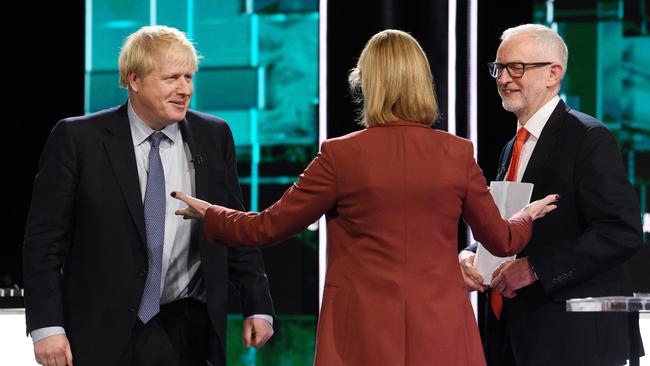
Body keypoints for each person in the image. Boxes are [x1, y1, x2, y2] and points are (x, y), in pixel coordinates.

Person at [171, 29, 558, 366]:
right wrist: (525, 217)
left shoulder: (341, 155)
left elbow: (265, 227)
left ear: (368, 84)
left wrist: (212, 215)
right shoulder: (456, 153)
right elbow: (503, 240)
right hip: (441, 334)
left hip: (362, 335)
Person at [23, 25, 275, 366]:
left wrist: (257, 303)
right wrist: (47, 326)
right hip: (102, 329)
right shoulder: (78, 139)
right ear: (135, 80)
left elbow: (232, 222)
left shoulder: (213, 135)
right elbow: (43, 242)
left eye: (189, 77)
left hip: (189, 326)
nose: (184, 89)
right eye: (171, 78)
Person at [458, 24, 644, 366]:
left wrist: (536, 268)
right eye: (499, 68)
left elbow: (621, 231)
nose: (503, 79)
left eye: (517, 68)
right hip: (514, 334)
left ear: (553, 73)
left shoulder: (588, 138)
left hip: (573, 339)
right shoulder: (512, 146)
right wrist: (472, 255)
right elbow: (510, 224)